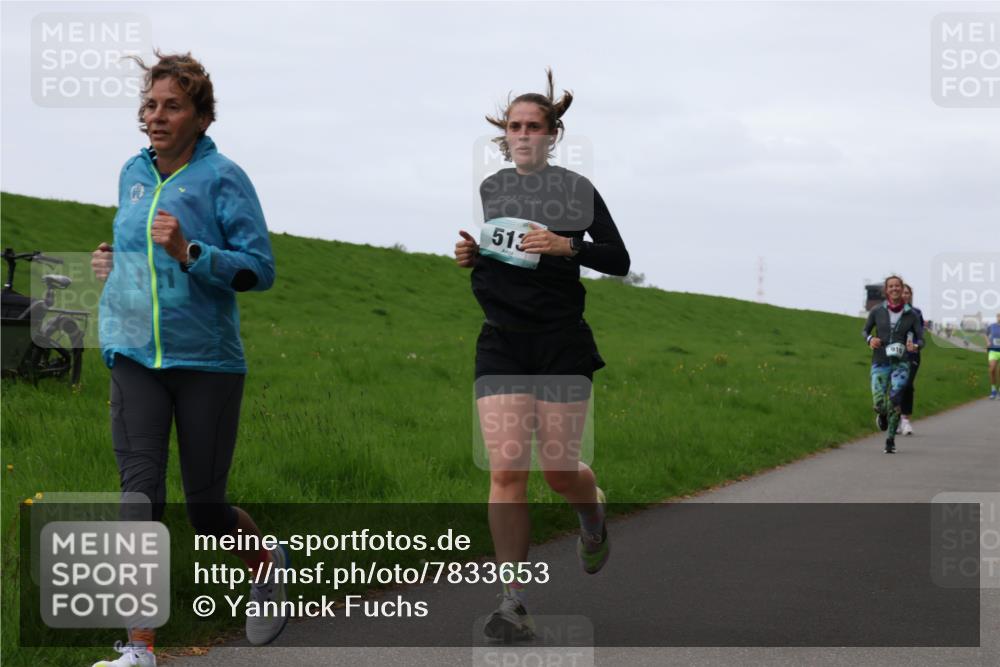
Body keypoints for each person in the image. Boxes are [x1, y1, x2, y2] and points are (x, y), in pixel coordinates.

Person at [89, 52, 284, 667]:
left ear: (200, 116)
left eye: (172, 105)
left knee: (205, 509)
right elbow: (134, 252)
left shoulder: (224, 176)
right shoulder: (131, 172)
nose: (156, 116)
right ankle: (138, 646)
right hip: (133, 355)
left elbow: (260, 269)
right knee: (138, 499)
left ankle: (265, 563)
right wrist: (110, 268)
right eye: (150, 104)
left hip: (207, 362)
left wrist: (190, 250)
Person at [454, 69, 630, 642]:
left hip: (560, 341)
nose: (524, 134)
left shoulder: (577, 191)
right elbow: (507, 257)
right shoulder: (493, 190)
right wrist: (474, 255)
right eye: (515, 126)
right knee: (506, 469)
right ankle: (512, 602)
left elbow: (618, 259)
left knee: (558, 472)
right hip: (502, 339)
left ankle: (592, 516)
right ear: (504, 136)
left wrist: (566, 245)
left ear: (553, 134)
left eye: (535, 126)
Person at [862, 275, 923, 454]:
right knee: (879, 402)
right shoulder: (876, 311)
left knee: (896, 399)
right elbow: (865, 330)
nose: (895, 289)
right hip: (880, 361)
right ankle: (882, 414)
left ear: (902, 288)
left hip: (901, 363)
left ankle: (890, 440)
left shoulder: (911, 315)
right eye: (891, 286)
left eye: (898, 286)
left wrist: (915, 345)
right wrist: (870, 339)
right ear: (886, 290)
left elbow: (921, 338)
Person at [898, 284, 925, 435]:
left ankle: (905, 420)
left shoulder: (916, 312)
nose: (905, 295)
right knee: (896, 386)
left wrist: (916, 345)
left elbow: (920, 335)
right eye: (903, 292)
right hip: (895, 354)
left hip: (912, 354)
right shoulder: (890, 312)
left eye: (908, 293)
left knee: (907, 384)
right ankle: (895, 419)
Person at [985, 313, 1000, 399]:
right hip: (993, 350)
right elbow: (985, 334)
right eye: (998, 316)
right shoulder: (992, 326)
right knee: (992, 369)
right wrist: (987, 342)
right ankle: (993, 390)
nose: (999, 318)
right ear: (997, 317)